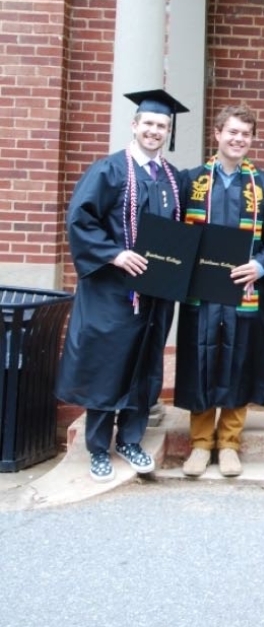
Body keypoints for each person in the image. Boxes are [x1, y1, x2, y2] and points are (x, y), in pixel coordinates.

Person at [57, 88, 188, 482]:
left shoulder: (171, 177)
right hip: (113, 291)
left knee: (145, 364)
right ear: (134, 126)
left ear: (168, 131)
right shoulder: (108, 171)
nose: (154, 131)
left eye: (161, 125)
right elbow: (80, 221)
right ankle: (98, 447)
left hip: (155, 291)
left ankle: (131, 438)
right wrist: (114, 254)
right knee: (108, 364)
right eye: (148, 123)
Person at [175, 105, 264, 478]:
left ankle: (230, 443)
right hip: (202, 291)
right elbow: (175, 233)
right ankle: (201, 442)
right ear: (218, 133)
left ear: (252, 140)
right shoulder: (191, 181)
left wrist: (261, 265)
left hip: (245, 287)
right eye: (232, 132)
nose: (239, 139)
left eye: (246, 134)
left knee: (239, 360)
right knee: (201, 359)